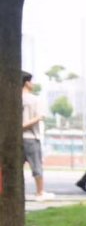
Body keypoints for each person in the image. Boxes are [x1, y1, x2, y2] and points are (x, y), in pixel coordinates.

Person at [21, 72, 54, 201]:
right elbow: (40, 116)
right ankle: (40, 192)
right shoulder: (34, 99)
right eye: (31, 81)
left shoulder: (12, 98)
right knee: (36, 166)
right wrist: (24, 126)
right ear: (27, 83)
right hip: (31, 137)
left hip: (17, 138)